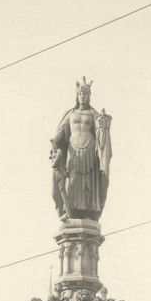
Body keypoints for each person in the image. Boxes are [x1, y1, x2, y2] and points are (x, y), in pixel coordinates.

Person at [50, 79, 112, 220]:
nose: (82, 96)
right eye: (80, 94)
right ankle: (69, 211)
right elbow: (58, 135)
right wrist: (56, 147)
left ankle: (89, 212)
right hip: (74, 152)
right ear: (77, 96)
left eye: (85, 94)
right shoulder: (70, 114)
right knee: (73, 181)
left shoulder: (93, 115)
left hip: (90, 152)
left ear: (89, 96)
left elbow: (100, 134)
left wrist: (103, 125)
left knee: (89, 183)